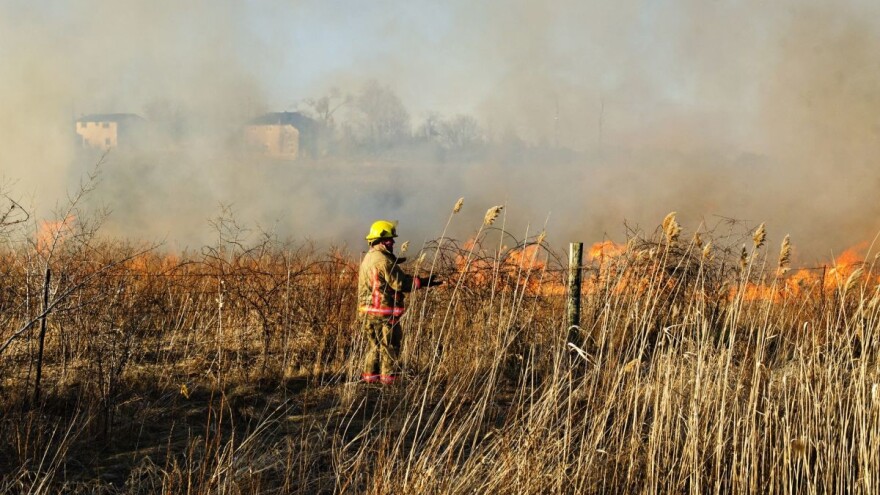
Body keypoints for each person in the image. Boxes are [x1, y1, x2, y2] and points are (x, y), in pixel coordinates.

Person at [357, 220, 441, 384]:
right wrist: (422, 282)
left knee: (375, 346)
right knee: (390, 347)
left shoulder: (369, 257)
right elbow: (400, 283)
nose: (393, 242)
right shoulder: (383, 261)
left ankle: (370, 380)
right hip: (383, 313)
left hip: (367, 312)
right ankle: (389, 383)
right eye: (389, 239)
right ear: (381, 241)